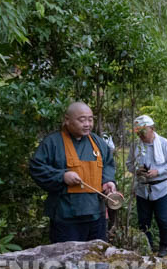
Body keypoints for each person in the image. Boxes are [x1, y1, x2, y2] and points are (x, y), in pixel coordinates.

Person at [29, 102, 117, 243]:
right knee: (67, 261)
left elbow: (108, 164)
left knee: (96, 259)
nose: (87, 124)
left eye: (90, 119)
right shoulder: (53, 142)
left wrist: (108, 181)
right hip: (66, 215)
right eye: (82, 120)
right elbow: (37, 168)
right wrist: (62, 176)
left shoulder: (98, 142)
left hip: (96, 214)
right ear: (67, 120)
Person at [127, 115, 167, 256]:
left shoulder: (164, 143)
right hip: (142, 188)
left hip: (161, 186)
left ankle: (165, 246)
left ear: (152, 129)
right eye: (138, 132)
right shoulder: (135, 145)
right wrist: (137, 171)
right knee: (144, 221)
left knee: (163, 218)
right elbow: (129, 164)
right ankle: (147, 247)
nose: (141, 135)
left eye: (143, 131)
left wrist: (158, 171)